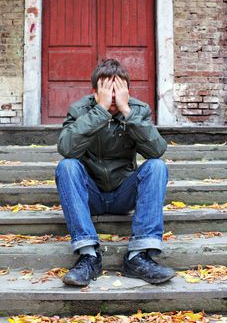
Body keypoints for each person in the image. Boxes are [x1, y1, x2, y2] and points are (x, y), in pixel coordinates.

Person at [55, 59, 175, 287]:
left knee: (157, 166)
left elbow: (156, 150)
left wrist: (127, 112)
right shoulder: (80, 110)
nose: (112, 97)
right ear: (94, 92)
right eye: (106, 91)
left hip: (123, 194)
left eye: (117, 90)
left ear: (127, 91)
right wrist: (100, 111)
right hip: (90, 195)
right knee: (67, 166)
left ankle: (139, 256)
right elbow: (66, 149)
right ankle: (88, 255)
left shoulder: (138, 110)